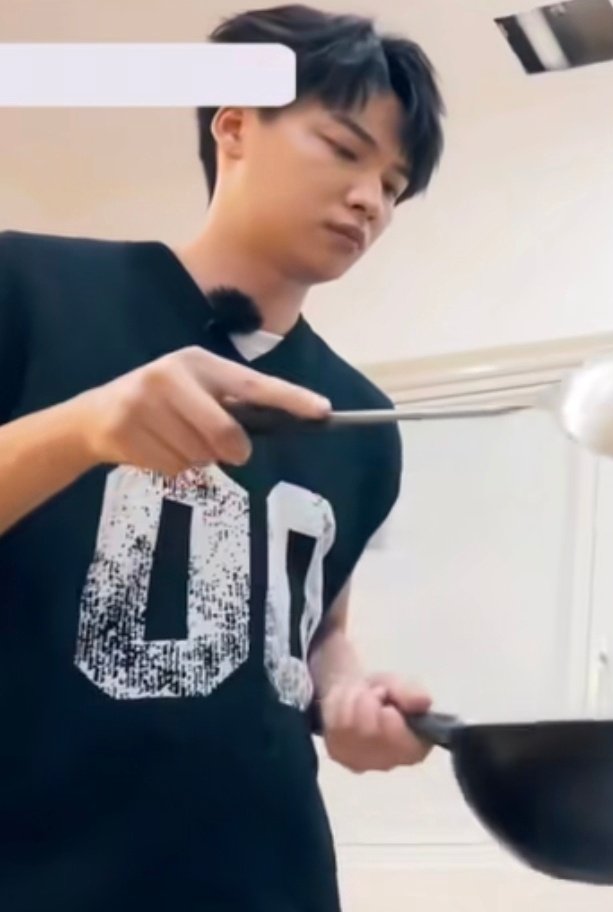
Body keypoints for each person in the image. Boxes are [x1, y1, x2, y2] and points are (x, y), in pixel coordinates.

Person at [0, 4, 446, 910]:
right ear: (234, 126)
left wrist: (348, 695)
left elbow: (316, 629)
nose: (371, 199)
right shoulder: (30, 288)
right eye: (344, 149)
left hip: (274, 881)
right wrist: (85, 427)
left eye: (395, 186)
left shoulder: (361, 420)